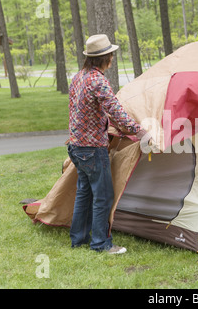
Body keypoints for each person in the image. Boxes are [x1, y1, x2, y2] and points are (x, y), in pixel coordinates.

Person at [67, 34, 149, 254]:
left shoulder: (79, 77)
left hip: (76, 146)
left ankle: (79, 239)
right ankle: (101, 244)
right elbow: (116, 111)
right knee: (103, 195)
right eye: (111, 54)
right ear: (106, 58)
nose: (112, 57)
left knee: (84, 192)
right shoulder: (98, 81)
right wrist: (139, 132)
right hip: (92, 148)